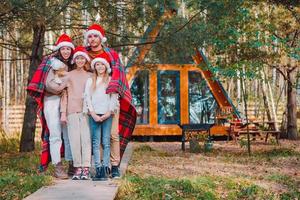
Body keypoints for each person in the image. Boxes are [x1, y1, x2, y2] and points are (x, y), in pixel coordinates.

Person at [84, 24, 137, 179]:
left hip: (110, 101)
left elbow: (119, 77)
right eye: (90, 36)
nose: (92, 39)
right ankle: (100, 166)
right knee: (95, 137)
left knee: (113, 135)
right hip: (91, 102)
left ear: (101, 38)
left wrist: (112, 102)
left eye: (95, 36)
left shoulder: (111, 54)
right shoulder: (84, 54)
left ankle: (114, 166)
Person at [27, 34, 74, 177]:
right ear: (59, 50)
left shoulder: (73, 64)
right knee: (55, 134)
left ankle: (72, 164)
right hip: (52, 101)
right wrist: (67, 81)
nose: (66, 51)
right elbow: (50, 86)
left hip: (69, 102)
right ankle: (58, 166)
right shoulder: (51, 63)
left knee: (69, 134)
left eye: (68, 49)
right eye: (63, 49)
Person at [84, 54, 119, 181]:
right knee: (95, 142)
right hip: (94, 114)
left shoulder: (110, 80)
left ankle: (105, 168)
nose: (100, 67)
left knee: (106, 141)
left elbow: (114, 97)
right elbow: (87, 98)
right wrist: (92, 113)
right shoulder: (90, 81)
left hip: (107, 114)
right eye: (97, 64)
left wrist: (108, 113)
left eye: (102, 64)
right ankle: (98, 168)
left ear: (106, 66)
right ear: (94, 67)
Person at [60, 46, 92, 180]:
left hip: (86, 112)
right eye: (77, 58)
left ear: (86, 60)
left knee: (86, 140)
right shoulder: (68, 75)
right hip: (71, 111)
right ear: (74, 60)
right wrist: (63, 113)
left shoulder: (91, 76)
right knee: (74, 140)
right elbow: (64, 95)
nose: (80, 60)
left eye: (82, 58)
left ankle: (86, 168)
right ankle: (77, 168)